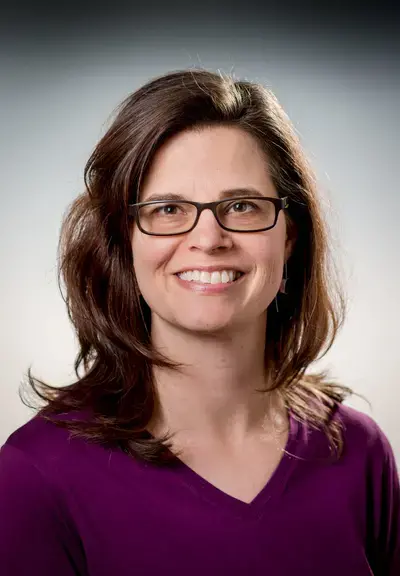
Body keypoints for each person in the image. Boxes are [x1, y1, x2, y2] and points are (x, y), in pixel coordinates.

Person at [0, 69, 399, 576]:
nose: (209, 238)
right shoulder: (37, 475)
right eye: (168, 209)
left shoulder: (359, 452)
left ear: (289, 239)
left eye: (242, 206)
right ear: (123, 244)